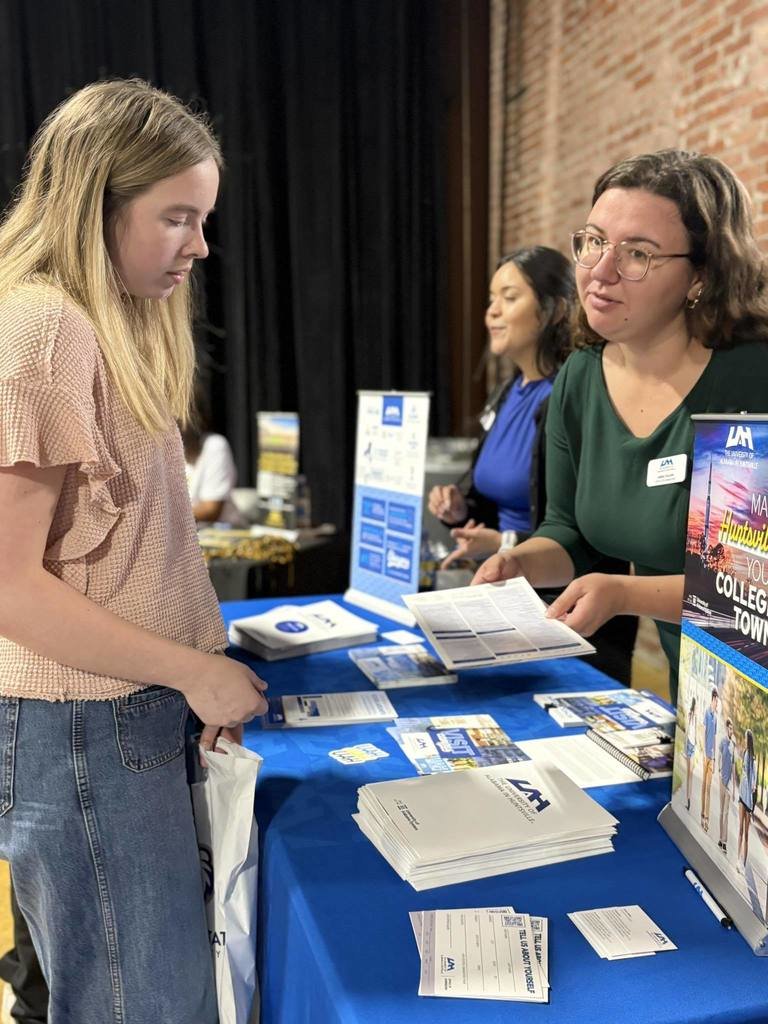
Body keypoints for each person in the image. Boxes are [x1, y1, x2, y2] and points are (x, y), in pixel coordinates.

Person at [0, 79, 268, 1024]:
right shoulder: (41, 330)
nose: (199, 246)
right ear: (96, 202)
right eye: (178, 220)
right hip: (82, 730)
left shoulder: (97, 321)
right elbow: (9, 590)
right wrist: (191, 668)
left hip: (118, 722)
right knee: (140, 1006)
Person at [474, 149, 768, 705]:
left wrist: (623, 593)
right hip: (702, 694)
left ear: (699, 277)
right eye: (593, 241)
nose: (600, 271)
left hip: (749, 679)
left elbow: (744, 590)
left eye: (638, 254)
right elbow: (571, 533)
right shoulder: (581, 377)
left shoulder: (748, 382)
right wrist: (519, 562)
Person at [428, 247, 637, 683]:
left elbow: (594, 534)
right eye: (490, 300)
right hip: (507, 597)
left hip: (570, 610)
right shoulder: (505, 394)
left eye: (508, 297)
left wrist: (505, 542)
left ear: (553, 309)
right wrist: (460, 507)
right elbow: (489, 492)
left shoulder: (577, 393)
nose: (492, 313)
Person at [181, 419, 245, 525]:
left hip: (222, 531)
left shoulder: (214, 445)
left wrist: (166, 518)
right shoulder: (164, 452)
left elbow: (211, 510)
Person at [737, 729, 757, 873]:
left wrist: (753, 785)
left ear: (748, 740)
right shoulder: (744, 753)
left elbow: (754, 783)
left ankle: (743, 863)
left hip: (748, 801)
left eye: (745, 738)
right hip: (742, 797)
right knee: (740, 830)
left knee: (746, 833)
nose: (744, 740)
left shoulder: (753, 760)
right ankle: (738, 859)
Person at [700, 686, 718, 832]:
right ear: (712, 699)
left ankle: (707, 818)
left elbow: (715, 737)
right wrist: (702, 750)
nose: (716, 704)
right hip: (705, 754)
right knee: (703, 786)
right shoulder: (707, 713)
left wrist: (715, 756)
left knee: (709, 788)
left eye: (717, 702)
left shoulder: (716, 717)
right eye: (715, 701)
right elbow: (703, 732)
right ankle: (702, 813)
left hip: (711, 756)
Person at [718, 716, 736, 853]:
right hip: (721, 780)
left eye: (732, 729)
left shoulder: (733, 745)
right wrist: (718, 771)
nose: (731, 730)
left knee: (726, 813)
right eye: (730, 728)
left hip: (729, 783)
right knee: (721, 812)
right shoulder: (723, 742)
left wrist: (734, 788)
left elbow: (734, 766)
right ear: (727, 728)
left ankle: (724, 842)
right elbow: (719, 757)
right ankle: (720, 838)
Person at [684, 694, 697, 812]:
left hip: (692, 746)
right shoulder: (690, 716)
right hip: (689, 744)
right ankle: (687, 798)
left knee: (691, 774)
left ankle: (689, 799)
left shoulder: (695, 717)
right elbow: (688, 731)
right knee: (689, 774)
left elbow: (695, 734)